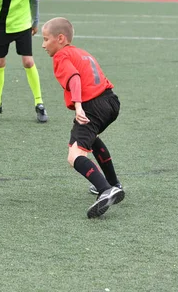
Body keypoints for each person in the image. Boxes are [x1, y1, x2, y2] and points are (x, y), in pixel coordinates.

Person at [41, 17, 124, 218]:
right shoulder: (81, 52)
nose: (43, 45)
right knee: (91, 139)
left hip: (91, 106)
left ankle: (106, 190)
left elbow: (75, 78)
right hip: (111, 102)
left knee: (74, 156)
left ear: (60, 38)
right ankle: (114, 183)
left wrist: (78, 105)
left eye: (45, 39)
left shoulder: (61, 56)